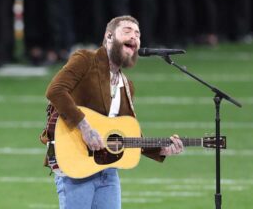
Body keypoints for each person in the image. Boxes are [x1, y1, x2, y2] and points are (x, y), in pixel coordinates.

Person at [45, 15, 184, 209]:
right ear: (109, 36)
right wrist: (85, 127)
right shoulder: (85, 59)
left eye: (138, 34)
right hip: (75, 165)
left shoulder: (126, 85)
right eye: (127, 31)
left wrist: (160, 149)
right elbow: (55, 91)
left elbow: (127, 134)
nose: (134, 36)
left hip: (108, 170)